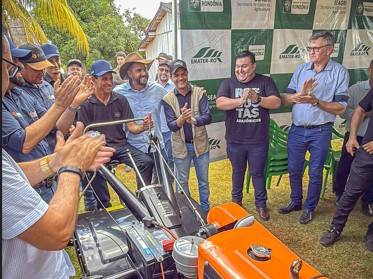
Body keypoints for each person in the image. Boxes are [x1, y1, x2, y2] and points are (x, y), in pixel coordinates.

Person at [2, 27, 115, 279]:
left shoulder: (20, 94)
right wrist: (71, 167)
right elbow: (56, 234)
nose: (15, 69)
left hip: (45, 188)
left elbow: (52, 130)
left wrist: (58, 159)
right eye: (11, 63)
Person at [2, 36, 92, 203]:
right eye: (13, 61)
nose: (19, 66)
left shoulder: (20, 94)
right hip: (26, 192)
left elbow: (57, 128)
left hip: (49, 184)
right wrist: (59, 105)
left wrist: (73, 105)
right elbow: (24, 143)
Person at [278, 31, 349, 224]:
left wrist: (316, 101)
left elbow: (342, 107)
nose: (311, 52)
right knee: (293, 169)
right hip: (297, 129)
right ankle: (295, 202)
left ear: (329, 49)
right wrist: (300, 94)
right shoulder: (302, 69)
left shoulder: (340, 72)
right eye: (309, 48)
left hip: (321, 131)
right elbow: (285, 99)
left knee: (315, 172)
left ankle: (309, 208)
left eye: (316, 48)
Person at [77, 59, 154, 209]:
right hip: (99, 148)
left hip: (120, 145)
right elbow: (83, 133)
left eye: (110, 78)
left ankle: (141, 200)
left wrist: (143, 127)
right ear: (93, 80)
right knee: (95, 168)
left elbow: (132, 127)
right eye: (104, 79)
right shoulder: (86, 104)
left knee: (146, 162)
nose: (109, 82)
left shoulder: (120, 99)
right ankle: (104, 206)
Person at [216, 50, 281, 221]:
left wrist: (257, 99)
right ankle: (236, 203)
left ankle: (261, 205)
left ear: (253, 66)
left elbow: (276, 102)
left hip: (258, 141)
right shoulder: (228, 83)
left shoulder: (265, 81)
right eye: (237, 66)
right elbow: (220, 102)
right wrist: (241, 101)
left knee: (258, 173)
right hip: (235, 140)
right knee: (238, 172)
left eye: (244, 66)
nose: (240, 70)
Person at [319, 89, 373, 252]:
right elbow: (359, 109)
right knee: (350, 193)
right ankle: (335, 228)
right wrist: (352, 137)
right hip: (367, 154)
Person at [162, 59, 212, 212]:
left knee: (203, 181)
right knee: (182, 182)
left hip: (200, 145)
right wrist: (182, 119)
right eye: (176, 75)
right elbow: (171, 125)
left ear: (187, 74)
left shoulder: (199, 93)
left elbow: (208, 117)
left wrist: (193, 120)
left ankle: (205, 210)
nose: (180, 78)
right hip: (180, 147)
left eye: (183, 74)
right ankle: (188, 210)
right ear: (171, 77)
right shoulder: (168, 99)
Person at [113, 52, 167, 184]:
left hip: (156, 145)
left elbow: (175, 99)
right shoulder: (118, 93)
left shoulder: (158, 90)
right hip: (134, 147)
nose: (144, 73)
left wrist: (193, 90)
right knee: (144, 186)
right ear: (130, 74)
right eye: (139, 70)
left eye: (145, 69)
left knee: (164, 184)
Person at [334, 59, 373, 215]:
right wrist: (367, 112)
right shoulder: (356, 89)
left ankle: (367, 201)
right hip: (354, 136)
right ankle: (339, 193)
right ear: (369, 70)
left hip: (370, 141)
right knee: (345, 166)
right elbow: (344, 112)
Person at [156, 59, 175, 180]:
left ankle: (171, 178)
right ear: (157, 71)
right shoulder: (150, 87)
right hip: (155, 129)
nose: (164, 72)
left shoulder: (174, 87)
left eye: (167, 71)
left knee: (170, 156)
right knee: (157, 156)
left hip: (169, 128)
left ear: (170, 73)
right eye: (161, 70)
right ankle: (157, 177)